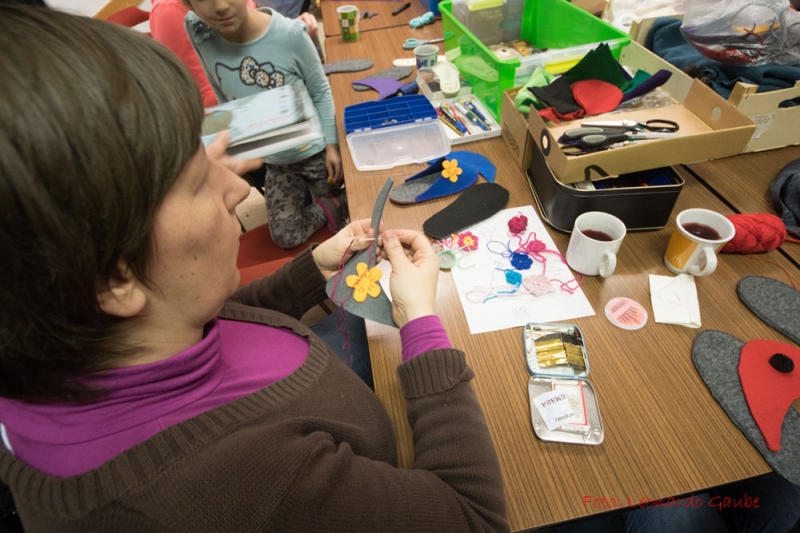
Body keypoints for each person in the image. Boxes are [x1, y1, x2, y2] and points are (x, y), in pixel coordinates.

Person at [0, 5, 509, 532]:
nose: (239, 190)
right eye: (197, 181)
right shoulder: (235, 486)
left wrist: (312, 269)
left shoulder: (111, 343)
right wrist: (421, 324)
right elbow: (472, 517)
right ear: (114, 278)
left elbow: (224, 318)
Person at [183, 0, 347, 249]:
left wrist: (332, 146)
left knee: (344, 227)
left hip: (316, 153)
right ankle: (337, 202)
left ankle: (342, 199)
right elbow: (218, 86)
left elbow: (322, 92)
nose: (220, 6)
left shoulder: (290, 35)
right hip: (276, 163)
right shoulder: (198, 30)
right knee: (284, 236)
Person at [150, 0, 320, 108]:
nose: (222, 6)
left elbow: (253, 30)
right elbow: (201, 101)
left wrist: (283, 32)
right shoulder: (168, 11)